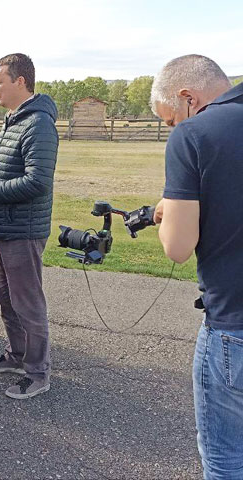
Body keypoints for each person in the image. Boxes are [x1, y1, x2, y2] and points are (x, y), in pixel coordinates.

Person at [151, 54, 242, 480]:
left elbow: (178, 248)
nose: (172, 128)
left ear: (188, 98)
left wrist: (168, 219)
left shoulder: (194, 135)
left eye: (170, 119)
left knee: (225, 459)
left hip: (233, 323)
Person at [0, 53, 58, 399]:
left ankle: (37, 372)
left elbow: (36, 181)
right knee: (7, 298)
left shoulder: (38, 124)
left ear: (20, 82)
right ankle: (17, 355)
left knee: (28, 303)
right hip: (3, 226)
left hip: (23, 229)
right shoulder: (14, 120)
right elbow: (11, 170)